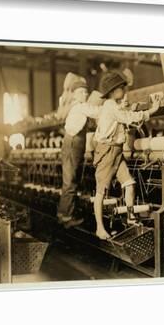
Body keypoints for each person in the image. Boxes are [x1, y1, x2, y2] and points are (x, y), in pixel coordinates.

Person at [93, 71, 160, 239]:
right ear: (114, 90)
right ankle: (99, 228)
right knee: (101, 192)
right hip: (107, 151)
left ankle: (130, 217)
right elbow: (128, 117)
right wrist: (151, 110)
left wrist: (133, 107)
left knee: (129, 183)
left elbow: (125, 112)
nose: (124, 90)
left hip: (116, 151)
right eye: (122, 87)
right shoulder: (110, 106)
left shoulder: (113, 105)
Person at [57, 76, 102, 228]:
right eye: (82, 92)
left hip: (73, 144)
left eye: (86, 92)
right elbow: (97, 112)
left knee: (70, 181)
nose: (85, 95)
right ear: (75, 95)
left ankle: (63, 214)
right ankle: (66, 217)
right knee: (70, 181)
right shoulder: (80, 106)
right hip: (73, 144)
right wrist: (112, 107)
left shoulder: (77, 107)